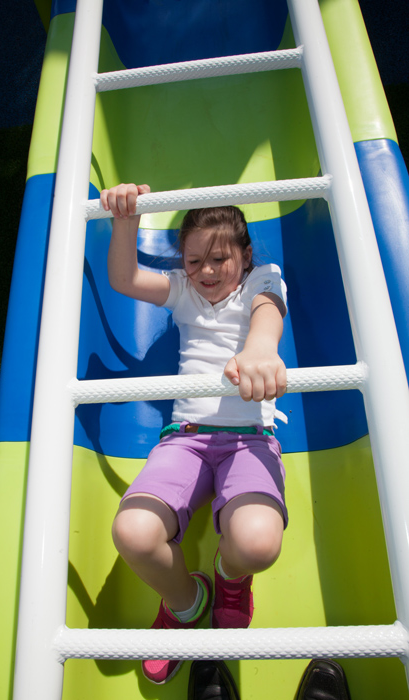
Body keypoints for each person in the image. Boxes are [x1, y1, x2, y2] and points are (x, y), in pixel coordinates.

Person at [102, 182, 289, 684]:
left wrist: (259, 351)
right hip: (185, 438)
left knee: (257, 544)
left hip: (250, 439)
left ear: (245, 255)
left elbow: (268, 315)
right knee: (133, 533)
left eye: (219, 258)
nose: (205, 271)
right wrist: (126, 217)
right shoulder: (184, 293)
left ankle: (230, 580)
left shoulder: (261, 279)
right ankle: (187, 603)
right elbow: (124, 279)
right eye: (193, 261)